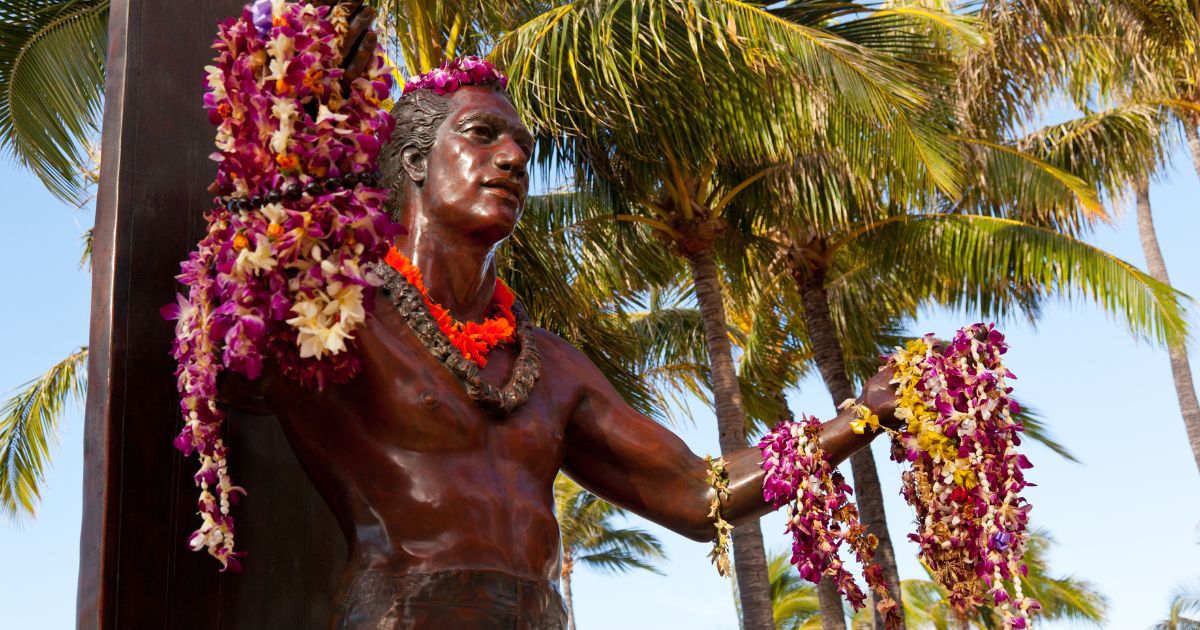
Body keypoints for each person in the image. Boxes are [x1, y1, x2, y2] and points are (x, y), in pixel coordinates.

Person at [224, 11, 900, 628]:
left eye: (521, 144)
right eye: (481, 135)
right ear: (412, 162)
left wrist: (863, 415)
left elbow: (700, 495)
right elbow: (238, 371)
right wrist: (306, 87)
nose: (515, 159)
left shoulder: (550, 366)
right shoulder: (337, 315)